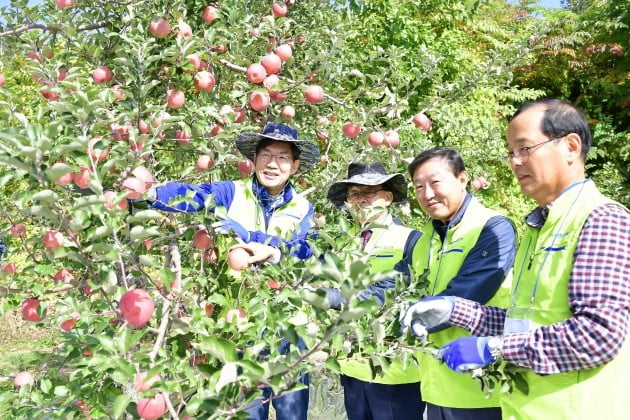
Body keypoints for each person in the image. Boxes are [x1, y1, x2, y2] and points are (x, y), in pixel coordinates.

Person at [401, 99, 630, 419]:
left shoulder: (600, 220)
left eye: (525, 148)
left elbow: (597, 336)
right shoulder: (539, 228)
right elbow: (521, 324)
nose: (516, 161)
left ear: (571, 146)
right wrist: (456, 310)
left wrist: (492, 350)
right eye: (511, 152)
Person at [148, 122, 320, 420]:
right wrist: (150, 192)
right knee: (244, 412)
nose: (272, 164)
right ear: (254, 159)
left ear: (293, 166)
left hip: (288, 325)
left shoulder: (304, 208)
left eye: (282, 157)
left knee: (292, 413)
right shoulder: (231, 192)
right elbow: (191, 195)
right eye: (266, 155)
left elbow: (307, 250)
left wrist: (269, 248)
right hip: (238, 324)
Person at [401, 147, 516, 420]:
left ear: (462, 179)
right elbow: (398, 288)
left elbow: (469, 292)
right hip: (436, 383)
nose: (427, 194)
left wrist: (402, 320)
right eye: (419, 187)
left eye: (435, 182)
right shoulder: (424, 239)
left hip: (480, 387)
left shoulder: (492, 228)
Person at [324, 162, 425, 420]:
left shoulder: (411, 240)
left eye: (370, 191)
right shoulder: (341, 243)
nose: (361, 199)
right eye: (354, 193)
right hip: (352, 366)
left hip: (394, 370)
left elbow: (393, 291)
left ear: (388, 197)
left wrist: (333, 298)